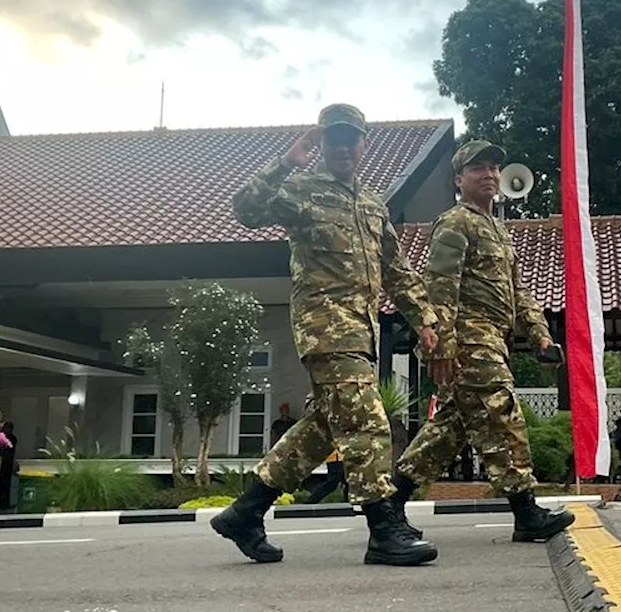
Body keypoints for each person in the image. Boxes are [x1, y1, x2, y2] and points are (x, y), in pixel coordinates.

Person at [212, 103, 440, 567]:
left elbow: (396, 271)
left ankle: (246, 511)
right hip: (324, 328)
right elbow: (245, 209)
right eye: (333, 138)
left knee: (321, 428)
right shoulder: (300, 190)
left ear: (363, 145)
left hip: (362, 332)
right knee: (365, 421)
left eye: (350, 138)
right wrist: (285, 162)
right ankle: (382, 528)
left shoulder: (373, 205)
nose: (342, 147)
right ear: (323, 144)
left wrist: (426, 320)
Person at [390, 139, 575, 544]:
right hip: (469, 337)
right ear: (459, 179)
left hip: (494, 336)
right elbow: (440, 289)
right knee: (502, 413)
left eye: (493, 167)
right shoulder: (455, 222)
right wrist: (440, 348)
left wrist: (540, 334)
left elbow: (518, 291)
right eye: (478, 169)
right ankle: (526, 512)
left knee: (449, 431)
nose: (489, 174)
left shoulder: (497, 230)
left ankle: (390, 502)